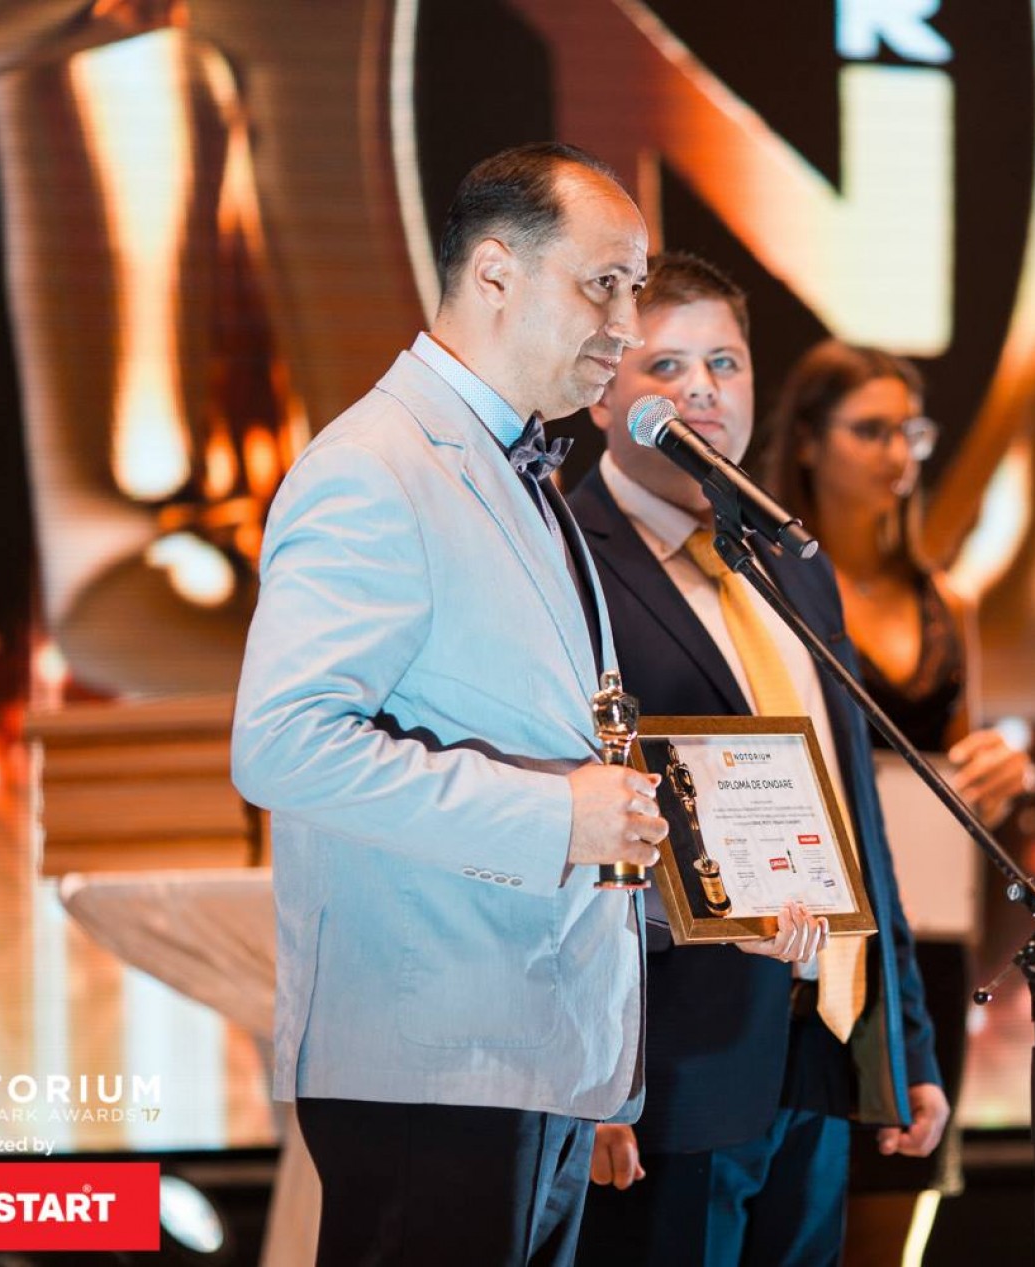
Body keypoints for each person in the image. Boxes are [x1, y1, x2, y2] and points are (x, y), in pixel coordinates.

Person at [231, 143, 666, 1267]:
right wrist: (556, 817)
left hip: (530, 1050)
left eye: (635, 288)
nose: (627, 325)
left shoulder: (520, 465)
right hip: (434, 1059)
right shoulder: (375, 464)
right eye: (603, 284)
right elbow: (282, 744)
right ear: (494, 273)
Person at [568, 253, 948, 1267]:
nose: (701, 389)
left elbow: (858, 818)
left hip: (819, 1043)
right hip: (669, 1069)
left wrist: (904, 1040)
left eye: (724, 364)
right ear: (602, 391)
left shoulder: (789, 561)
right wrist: (588, 1077)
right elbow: (557, 839)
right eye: (666, 366)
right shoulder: (566, 561)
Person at [762, 339, 1035, 1262]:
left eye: (910, 433)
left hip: (922, 936)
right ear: (808, 441)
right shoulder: (761, 584)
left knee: (898, 1191)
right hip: (806, 925)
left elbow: (962, 774)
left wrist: (1006, 771)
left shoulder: (944, 601)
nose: (897, 455)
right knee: (791, 1199)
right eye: (870, 430)